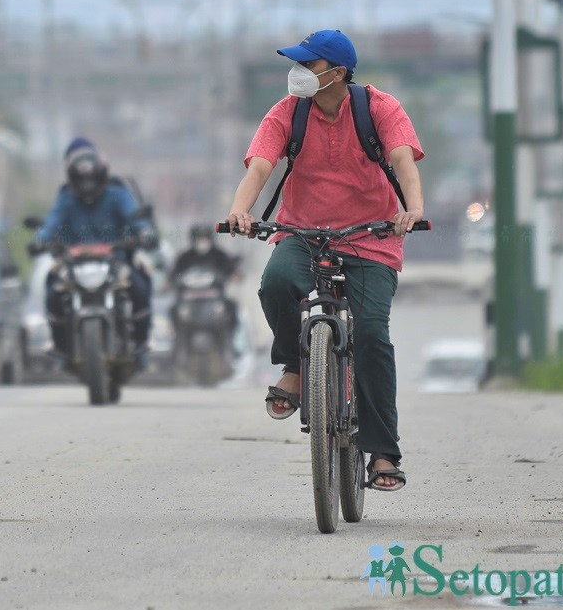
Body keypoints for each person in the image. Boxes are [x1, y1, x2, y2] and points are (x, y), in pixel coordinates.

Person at [224, 30, 424, 492]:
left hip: (370, 238)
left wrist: (412, 208)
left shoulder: (379, 108)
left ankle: (382, 453)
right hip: (303, 232)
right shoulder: (287, 112)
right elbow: (260, 165)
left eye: (307, 65)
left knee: (372, 334)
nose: (297, 73)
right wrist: (241, 210)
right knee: (275, 282)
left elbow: (402, 159)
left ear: (337, 73)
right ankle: (295, 368)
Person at [30, 137, 157, 365]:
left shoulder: (117, 193)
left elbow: (135, 217)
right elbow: (51, 223)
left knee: (140, 285)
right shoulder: (66, 197)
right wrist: (40, 240)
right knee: (52, 289)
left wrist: (145, 232)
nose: (87, 186)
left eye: (92, 179)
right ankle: (62, 347)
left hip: (115, 261)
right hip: (73, 263)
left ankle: (141, 345)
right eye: (81, 179)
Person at [172, 224, 241, 355]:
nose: (202, 242)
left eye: (205, 238)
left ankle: (231, 343)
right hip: (189, 301)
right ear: (193, 240)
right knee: (173, 310)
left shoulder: (219, 255)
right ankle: (177, 344)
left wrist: (234, 274)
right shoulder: (185, 257)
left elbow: (231, 270)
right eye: (199, 239)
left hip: (215, 300)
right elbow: (174, 273)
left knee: (232, 307)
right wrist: (170, 281)